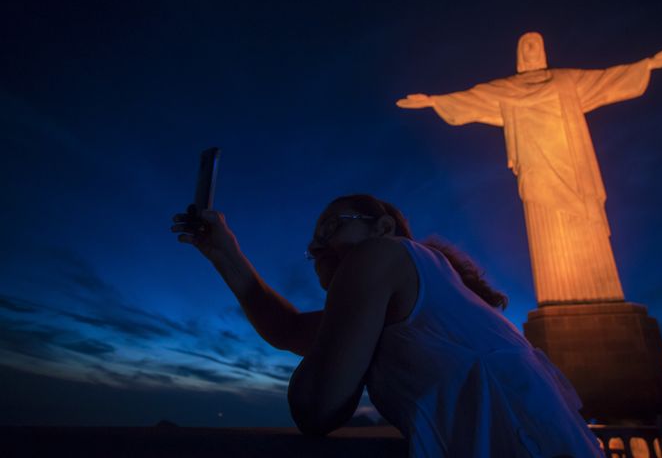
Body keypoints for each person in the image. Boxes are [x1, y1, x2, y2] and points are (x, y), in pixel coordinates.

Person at [171, 193, 603, 457]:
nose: (316, 243)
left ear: (383, 228)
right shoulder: (430, 297)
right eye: (313, 243)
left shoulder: (383, 254)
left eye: (331, 227)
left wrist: (337, 365)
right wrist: (223, 251)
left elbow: (316, 408)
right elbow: (287, 330)